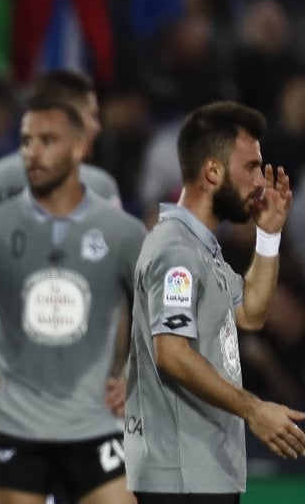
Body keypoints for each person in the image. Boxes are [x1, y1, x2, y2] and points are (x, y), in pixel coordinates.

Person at [0, 96, 146, 504]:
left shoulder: (122, 232)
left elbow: (157, 308)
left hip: (92, 422)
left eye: (48, 140)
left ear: (80, 147)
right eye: (26, 141)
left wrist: (134, 373)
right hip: (16, 424)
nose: (33, 153)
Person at [124, 101, 305, 503]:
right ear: (212, 172)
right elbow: (171, 351)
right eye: (251, 167)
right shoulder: (176, 253)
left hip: (203, 468)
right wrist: (255, 409)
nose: (260, 182)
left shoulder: (203, 250)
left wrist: (269, 236)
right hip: (181, 475)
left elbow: (252, 314)